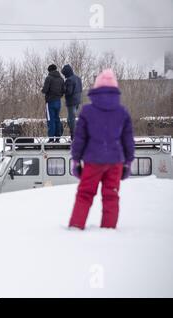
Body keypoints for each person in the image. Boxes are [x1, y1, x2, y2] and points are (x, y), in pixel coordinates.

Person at [69, 69, 135, 230]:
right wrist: (127, 162)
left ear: (96, 90)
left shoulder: (87, 111)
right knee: (111, 196)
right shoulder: (122, 112)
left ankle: (76, 227)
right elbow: (128, 140)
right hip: (115, 162)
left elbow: (80, 139)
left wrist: (76, 159)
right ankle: (108, 229)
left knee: (85, 194)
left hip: (93, 161)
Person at [41, 64, 65, 142]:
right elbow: (63, 91)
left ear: (49, 70)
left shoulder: (49, 78)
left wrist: (43, 90)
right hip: (58, 101)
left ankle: (51, 138)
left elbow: (45, 90)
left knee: (50, 119)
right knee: (57, 118)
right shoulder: (61, 79)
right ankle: (58, 137)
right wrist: (58, 96)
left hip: (50, 101)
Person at [61, 64, 83, 140]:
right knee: (70, 119)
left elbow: (69, 92)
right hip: (78, 101)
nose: (64, 76)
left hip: (71, 102)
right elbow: (80, 89)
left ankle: (74, 136)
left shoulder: (69, 80)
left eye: (64, 74)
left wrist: (63, 90)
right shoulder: (78, 78)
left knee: (71, 119)